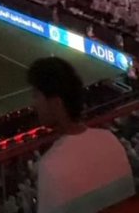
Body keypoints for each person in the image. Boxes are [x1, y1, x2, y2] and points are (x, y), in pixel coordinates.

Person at [26, 56, 134, 213]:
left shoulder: (51, 166)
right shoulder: (109, 139)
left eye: (37, 95)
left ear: (56, 103)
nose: (34, 103)